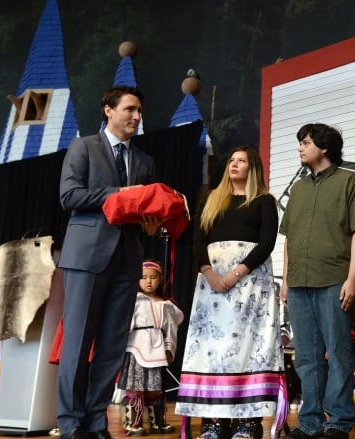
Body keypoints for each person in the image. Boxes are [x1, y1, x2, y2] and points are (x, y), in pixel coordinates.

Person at [58, 86, 159, 439]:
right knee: (77, 344)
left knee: (112, 348)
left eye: (139, 111)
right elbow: (69, 195)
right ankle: (70, 423)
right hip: (86, 259)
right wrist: (119, 194)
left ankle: (96, 421)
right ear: (108, 110)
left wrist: (151, 223)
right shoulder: (83, 146)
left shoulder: (144, 161)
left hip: (127, 262)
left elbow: (144, 214)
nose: (136, 116)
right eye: (129, 109)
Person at [175, 147, 284, 439]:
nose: (234, 165)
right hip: (212, 286)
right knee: (213, 349)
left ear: (254, 168)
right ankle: (213, 420)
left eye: (242, 161)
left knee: (249, 348)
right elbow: (198, 239)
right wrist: (210, 273)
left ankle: (248, 422)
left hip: (249, 284)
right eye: (231, 161)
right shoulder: (211, 200)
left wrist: (236, 273)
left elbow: (267, 243)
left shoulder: (263, 201)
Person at [280, 123, 355, 439]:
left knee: (338, 353)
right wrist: (287, 280)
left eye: (305, 142)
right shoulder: (300, 188)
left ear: (324, 147)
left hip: (334, 280)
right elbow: (288, 237)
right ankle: (309, 422)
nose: (300, 148)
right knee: (305, 358)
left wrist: (352, 278)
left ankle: (339, 422)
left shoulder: (348, 182)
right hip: (300, 283)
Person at [118, 260, 184, 435]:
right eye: (144, 277)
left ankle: (157, 422)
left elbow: (171, 328)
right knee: (136, 385)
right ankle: (133, 423)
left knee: (156, 387)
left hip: (156, 348)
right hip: (137, 348)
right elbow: (125, 325)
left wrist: (169, 349)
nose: (148, 281)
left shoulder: (166, 305)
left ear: (160, 279)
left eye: (153, 277)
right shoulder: (135, 301)